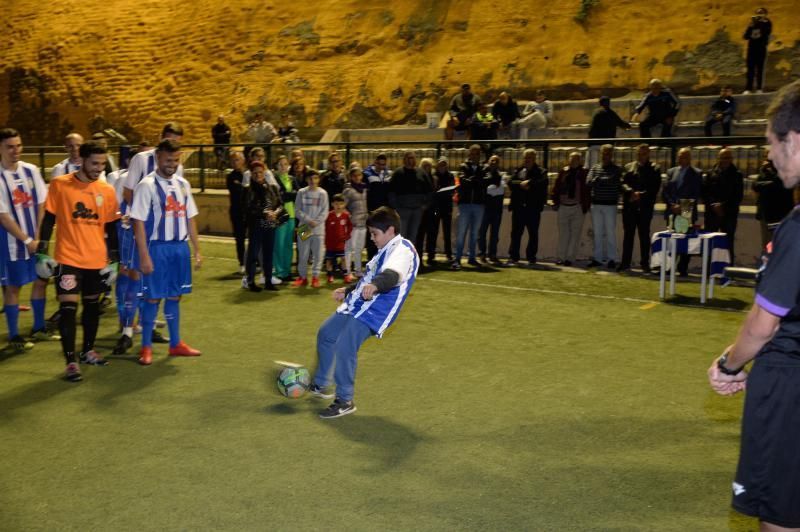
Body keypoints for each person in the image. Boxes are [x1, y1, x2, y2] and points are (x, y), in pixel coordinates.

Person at [706, 80, 800, 531]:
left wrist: (728, 365)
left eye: (770, 142)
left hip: (789, 392)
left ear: (794, 140)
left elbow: (766, 324)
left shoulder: (798, 228)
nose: (769, 155)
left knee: (780, 516)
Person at [309, 206, 418, 419]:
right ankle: (321, 384)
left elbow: (391, 276)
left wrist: (376, 285)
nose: (372, 238)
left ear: (390, 230)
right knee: (327, 333)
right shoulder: (383, 251)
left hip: (377, 309)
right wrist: (349, 290)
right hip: (360, 303)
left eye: (375, 233)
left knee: (344, 345)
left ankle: (345, 400)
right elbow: (369, 278)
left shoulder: (402, 250)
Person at [36, 140, 120, 382]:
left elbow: (113, 229)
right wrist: (42, 251)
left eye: (103, 164)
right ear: (82, 160)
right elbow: (49, 220)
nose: (99, 168)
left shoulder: (106, 191)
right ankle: (71, 361)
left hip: (96, 261)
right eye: (94, 163)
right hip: (68, 259)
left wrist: (114, 261)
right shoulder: (61, 185)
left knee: (92, 308)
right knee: (68, 310)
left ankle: (88, 351)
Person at [130, 139, 202, 366]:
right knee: (152, 297)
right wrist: (143, 255)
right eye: (168, 159)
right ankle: (146, 347)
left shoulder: (183, 184)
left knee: (175, 295)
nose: (172, 164)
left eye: (176, 159)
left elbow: (190, 218)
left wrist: (197, 249)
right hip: (157, 248)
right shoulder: (147, 185)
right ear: (158, 158)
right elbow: (138, 222)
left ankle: (176, 344)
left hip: (179, 249)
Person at [0, 128, 53, 351]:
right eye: (10, 147)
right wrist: (26, 240)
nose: (16, 151)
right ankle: (14, 336)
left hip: (35, 238)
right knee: (13, 286)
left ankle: (39, 327)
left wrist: (39, 237)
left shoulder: (31, 171)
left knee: (42, 279)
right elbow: (3, 216)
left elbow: (42, 203)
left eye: (18, 145)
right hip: (12, 242)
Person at [618, 144, 662, 272]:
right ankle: (625, 263)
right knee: (628, 236)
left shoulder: (655, 168)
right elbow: (622, 183)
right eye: (639, 154)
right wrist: (630, 192)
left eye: (643, 154)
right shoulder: (628, 167)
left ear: (648, 154)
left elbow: (654, 188)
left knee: (644, 236)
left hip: (644, 207)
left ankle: (645, 263)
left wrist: (640, 195)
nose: (641, 156)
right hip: (630, 207)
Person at [243, 161, 283, 292]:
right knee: (253, 255)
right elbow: (248, 208)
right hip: (256, 225)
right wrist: (264, 213)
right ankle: (251, 282)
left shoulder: (271, 187)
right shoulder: (248, 189)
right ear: (251, 174)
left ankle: (268, 281)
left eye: (260, 172)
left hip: (270, 224)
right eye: (255, 173)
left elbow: (280, 204)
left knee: (268, 254)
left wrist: (275, 213)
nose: (258, 175)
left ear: (264, 173)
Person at [663, 147, 703, 275]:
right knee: (671, 239)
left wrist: (682, 206)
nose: (682, 158)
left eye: (685, 156)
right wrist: (672, 205)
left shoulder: (696, 173)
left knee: (686, 240)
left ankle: (682, 268)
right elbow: (665, 191)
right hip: (672, 210)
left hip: (687, 211)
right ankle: (669, 267)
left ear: (690, 158)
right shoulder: (671, 171)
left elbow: (696, 193)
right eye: (680, 156)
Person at [507, 149, 549, 266]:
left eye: (529, 158)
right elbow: (510, 182)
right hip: (519, 208)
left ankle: (531, 257)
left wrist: (529, 183)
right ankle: (513, 257)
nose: (527, 160)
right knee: (515, 233)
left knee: (533, 234)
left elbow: (542, 182)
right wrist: (520, 184)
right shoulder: (519, 170)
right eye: (525, 158)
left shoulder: (541, 171)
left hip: (533, 208)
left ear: (534, 159)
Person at [703, 148, 744, 262]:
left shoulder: (737, 174)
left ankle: (728, 271)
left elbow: (738, 196)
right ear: (718, 158)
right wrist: (713, 205)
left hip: (729, 214)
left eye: (728, 157)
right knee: (710, 242)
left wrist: (722, 206)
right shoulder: (710, 173)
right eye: (723, 157)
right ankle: (708, 270)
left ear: (731, 159)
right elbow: (705, 193)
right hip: (712, 214)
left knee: (728, 242)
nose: (725, 160)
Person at [552, 152, 591, 266]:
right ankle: (560, 257)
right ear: (569, 160)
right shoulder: (563, 171)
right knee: (563, 234)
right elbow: (557, 187)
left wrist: (585, 205)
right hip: (563, 206)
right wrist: (556, 201)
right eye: (572, 159)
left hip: (577, 207)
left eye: (577, 159)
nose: (574, 161)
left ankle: (570, 258)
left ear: (580, 161)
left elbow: (588, 190)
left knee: (575, 234)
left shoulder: (584, 172)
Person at [587, 144, 622, 269]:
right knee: (598, 233)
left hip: (610, 204)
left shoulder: (616, 169)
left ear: (611, 155)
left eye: (608, 153)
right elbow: (589, 182)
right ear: (601, 154)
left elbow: (612, 180)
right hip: (596, 204)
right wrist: (599, 180)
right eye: (604, 153)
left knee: (610, 232)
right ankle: (597, 258)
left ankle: (612, 258)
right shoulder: (595, 167)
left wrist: (598, 180)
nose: (606, 155)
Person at [388, 151, 431, 252]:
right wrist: (395, 207)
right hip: (402, 210)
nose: (411, 160)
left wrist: (425, 206)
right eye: (408, 158)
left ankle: (408, 261)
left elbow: (429, 191)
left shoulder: (422, 173)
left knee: (413, 238)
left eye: (412, 158)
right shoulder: (397, 173)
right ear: (404, 160)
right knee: (401, 237)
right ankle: (398, 261)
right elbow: (391, 192)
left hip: (417, 210)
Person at [452, 145, 486, 270]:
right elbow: (463, 180)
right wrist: (476, 181)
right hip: (465, 204)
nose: (474, 156)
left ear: (480, 155)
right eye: (472, 153)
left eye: (477, 153)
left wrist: (472, 181)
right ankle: (457, 259)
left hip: (479, 204)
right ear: (469, 154)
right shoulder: (463, 166)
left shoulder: (484, 167)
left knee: (474, 233)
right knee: (461, 233)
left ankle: (472, 258)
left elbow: (485, 182)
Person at [292, 171, 328, 288]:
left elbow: (325, 211)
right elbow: (297, 210)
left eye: (315, 178)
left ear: (318, 179)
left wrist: (316, 222)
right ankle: (302, 277)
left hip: (319, 229)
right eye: (310, 178)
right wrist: (308, 221)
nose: (313, 181)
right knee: (303, 254)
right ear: (307, 179)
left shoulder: (323, 193)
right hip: (304, 227)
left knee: (318, 254)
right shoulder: (301, 192)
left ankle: (315, 277)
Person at [753, 150, 795, 248]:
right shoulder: (764, 171)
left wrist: (764, 184)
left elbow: (777, 184)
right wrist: (766, 180)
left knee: (780, 245)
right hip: (765, 213)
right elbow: (755, 186)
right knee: (766, 245)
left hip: (780, 214)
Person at [272, 155, 297, 283]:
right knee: (279, 245)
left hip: (292, 216)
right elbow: (280, 197)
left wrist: (289, 195)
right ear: (276, 166)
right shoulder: (274, 179)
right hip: (281, 216)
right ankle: (278, 272)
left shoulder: (292, 178)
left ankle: (286, 272)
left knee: (288, 245)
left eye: (285, 164)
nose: (283, 167)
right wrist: (291, 195)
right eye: (280, 164)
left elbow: (297, 195)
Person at [477, 155, 506, 263]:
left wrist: (491, 186)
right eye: (492, 160)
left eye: (496, 161)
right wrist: (493, 185)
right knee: (482, 232)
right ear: (488, 161)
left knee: (495, 234)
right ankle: (482, 253)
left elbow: (500, 191)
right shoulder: (483, 173)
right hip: (485, 207)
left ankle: (492, 254)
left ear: (498, 163)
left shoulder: (502, 175)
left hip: (497, 208)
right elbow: (489, 189)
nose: (494, 162)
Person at [363, 153, 392, 259]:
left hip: (384, 212)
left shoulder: (389, 174)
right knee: (372, 235)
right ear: (375, 162)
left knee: (383, 235)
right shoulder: (367, 174)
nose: (381, 167)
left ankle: (381, 258)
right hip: (372, 211)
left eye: (383, 164)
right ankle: (371, 258)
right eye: (379, 164)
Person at [427, 157, 455, 264]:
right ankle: (431, 255)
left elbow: (452, 190)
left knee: (447, 232)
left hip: (447, 207)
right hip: (435, 207)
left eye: (444, 164)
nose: (442, 166)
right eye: (440, 164)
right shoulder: (433, 176)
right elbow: (432, 190)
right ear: (437, 165)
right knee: (433, 232)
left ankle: (448, 254)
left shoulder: (450, 175)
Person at [588, 95, 630, 165]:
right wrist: (629, 126)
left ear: (600, 103)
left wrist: (589, 143)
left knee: (592, 166)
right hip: (607, 145)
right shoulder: (611, 113)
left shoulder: (596, 113)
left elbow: (591, 129)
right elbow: (621, 123)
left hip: (594, 144)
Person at [343, 167, 368, 281]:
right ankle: (347, 271)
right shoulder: (348, 190)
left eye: (359, 175)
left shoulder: (364, 188)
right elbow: (343, 206)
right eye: (355, 176)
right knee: (349, 248)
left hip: (363, 223)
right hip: (353, 224)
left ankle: (358, 270)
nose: (358, 178)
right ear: (351, 177)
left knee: (359, 248)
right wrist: (349, 218)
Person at [226, 152, 247, 274]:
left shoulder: (249, 174)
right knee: (240, 239)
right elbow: (238, 191)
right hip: (237, 212)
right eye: (233, 160)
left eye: (237, 160)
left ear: (243, 161)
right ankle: (242, 263)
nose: (235, 162)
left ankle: (257, 262)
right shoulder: (231, 177)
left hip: (250, 211)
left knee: (255, 238)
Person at [743, 7, 772, 94]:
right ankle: (748, 88)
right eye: (758, 13)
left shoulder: (767, 23)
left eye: (761, 13)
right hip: (751, 49)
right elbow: (745, 36)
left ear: (765, 15)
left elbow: (766, 32)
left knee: (760, 69)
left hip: (761, 49)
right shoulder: (753, 23)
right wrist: (751, 26)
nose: (759, 14)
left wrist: (759, 23)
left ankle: (759, 88)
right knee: (750, 70)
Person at [324, 194, 352, 284]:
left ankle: (346, 275)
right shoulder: (328, 215)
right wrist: (324, 239)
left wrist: (347, 235)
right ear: (332, 204)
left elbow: (350, 226)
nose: (338, 206)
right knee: (329, 260)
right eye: (336, 204)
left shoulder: (346, 215)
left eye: (341, 204)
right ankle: (330, 275)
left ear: (344, 204)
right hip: (330, 243)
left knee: (343, 258)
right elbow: (323, 227)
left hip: (340, 243)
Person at [414, 157, 436, 260]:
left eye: (429, 166)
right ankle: (419, 257)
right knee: (420, 235)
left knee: (432, 234)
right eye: (425, 166)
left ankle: (431, 257)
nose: (427, 168)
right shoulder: (417, 178)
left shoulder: (434, 179)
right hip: (421, 210)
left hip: (432, 210)